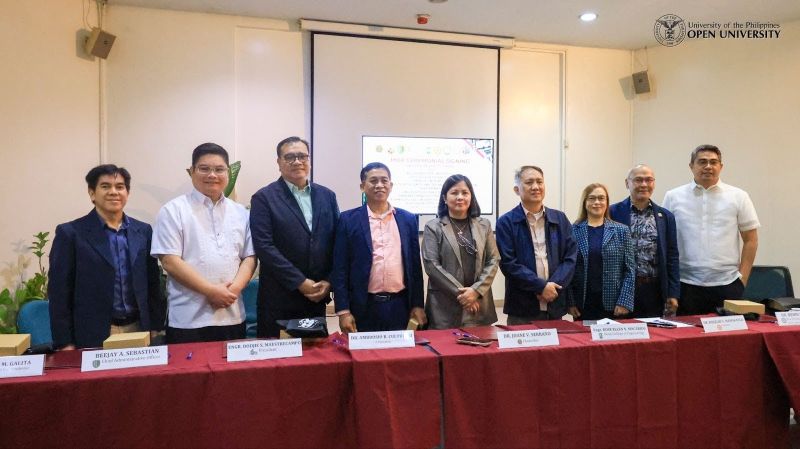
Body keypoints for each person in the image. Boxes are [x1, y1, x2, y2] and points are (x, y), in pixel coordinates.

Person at [49, 164, 165, 349]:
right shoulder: (70, 233)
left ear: (127, 193)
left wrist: (156, 327)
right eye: (105, 186)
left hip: (138, 329)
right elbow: (59, 293)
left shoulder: (143, 231)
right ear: (92, 193)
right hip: (93, 332)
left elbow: (152, 284)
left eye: (120, 186)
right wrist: (64, 342)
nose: (113, 192)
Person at [151, 143, 256, 343]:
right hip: (188, 321)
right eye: (204, 169)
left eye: (219, 169)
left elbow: (250, 257)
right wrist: (211, 291)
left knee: (231, 373)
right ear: (191, 172)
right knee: (189, 374)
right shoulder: (173, 210)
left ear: (228, 172)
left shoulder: (241, 212)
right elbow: (170, 261)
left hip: (232, 317)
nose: (212, 175)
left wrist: (231, 292)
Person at [250, 137, 339, 338]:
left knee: (315, 361)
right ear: (279, 162)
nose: (297, 161)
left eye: (302, 156)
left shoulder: (327, 196)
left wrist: (328, 281)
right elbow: (264, 247)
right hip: (280, 298)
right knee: (278, 363)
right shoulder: (264, 198)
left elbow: (337, 242)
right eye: (290, 157)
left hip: (316, 297)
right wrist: (300, 282)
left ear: (309, 160)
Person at [663, 144, 759, 315]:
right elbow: (664, 241)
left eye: (713, 162)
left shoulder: (739, 196)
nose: (708, 166)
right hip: (686, 284)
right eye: (702, 162)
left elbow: (751, 239)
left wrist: (742, 279)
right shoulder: (673, 196)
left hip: (728, 284)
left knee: (728, 340)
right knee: (688, 338)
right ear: (691, 166)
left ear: (721, 167)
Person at [331, 162, 426, 333]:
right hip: (363, 306)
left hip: (400, 305)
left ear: (391, 185)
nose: (379, 185)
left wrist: (418, 305)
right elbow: (340, 269)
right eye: (373, 181)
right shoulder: (348, 220)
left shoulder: (408, 219)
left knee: (400, 356)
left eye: (384, 180)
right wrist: (343, 311)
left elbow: (415, 268)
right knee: (364, 357)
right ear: (362, 186)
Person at [495, 166, 577, 324]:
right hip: (522, 306)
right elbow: (508, 263)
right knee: (523, 349)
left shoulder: (559, 219)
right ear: (516, 189)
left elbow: (570, 257)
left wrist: (552, 286)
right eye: (529, 182)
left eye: (539, 182)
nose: (535, 187)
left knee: (555, 348)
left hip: (555, 301)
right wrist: (540, 286)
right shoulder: (506, 222)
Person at [422, 174, 500, 329]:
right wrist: (464, 296)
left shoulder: (484, 225)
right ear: (445, 198)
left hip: (479, 304)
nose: (460, 197)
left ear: (471, 196)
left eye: (465, 193)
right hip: (444, 307)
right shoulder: (433, 227)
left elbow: (493, 260)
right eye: (454, 193)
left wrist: (475, 292)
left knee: (481, 351)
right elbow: (432, 266)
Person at [609, 165, 680, 317]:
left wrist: (673, 293)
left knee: (654, 336)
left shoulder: (665, 216)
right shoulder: (612, 212)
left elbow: (672, 256)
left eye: (649, 180)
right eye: (638, 180)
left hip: (654, 290)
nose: (644, 185)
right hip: (620, 289)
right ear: (627, 183)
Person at [569, 183, 635, 320]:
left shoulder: (622, 231)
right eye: (592, 198)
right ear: (585, 202)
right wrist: (570, 302)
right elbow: (568, 270)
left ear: (607, 202)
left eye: (601, 198)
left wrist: (624, 301)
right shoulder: (572, 231)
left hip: (614, 304)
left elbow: (630, 270)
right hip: (582, 304)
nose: (597, 202)